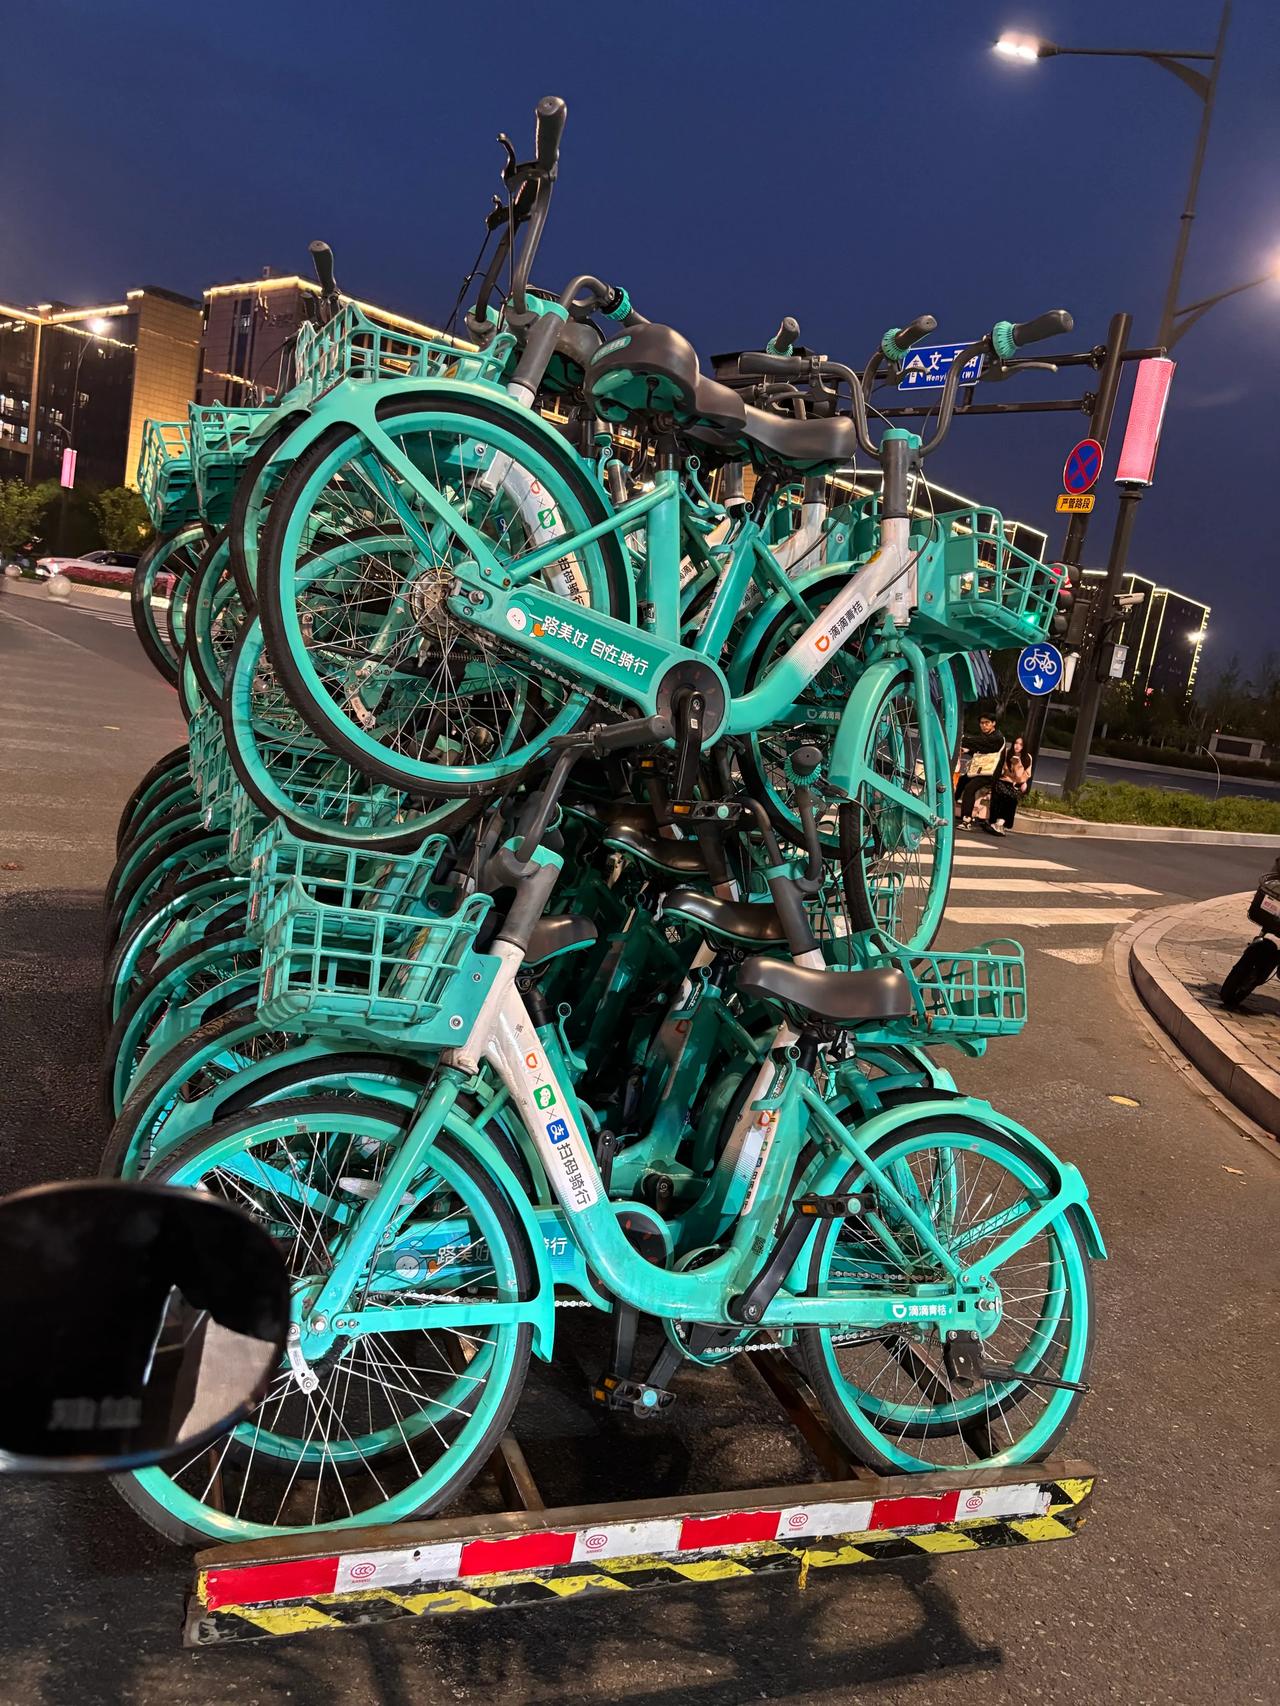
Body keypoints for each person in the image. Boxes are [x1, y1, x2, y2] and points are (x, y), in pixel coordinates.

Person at [955, 708, 1005, 829]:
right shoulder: (986, 736)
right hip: (981, 770)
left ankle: (966, 820)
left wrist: (961, 739)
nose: (984, 725)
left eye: (987, 723)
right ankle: (951, 804)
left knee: (970, 788)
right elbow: (982, 750)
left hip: (990, 774)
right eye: (982, 723)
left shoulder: (997, 737)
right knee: (962, 780)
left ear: (993, 723)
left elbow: (981, 743)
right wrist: (967, 750)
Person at [985, 736, 1034, 835]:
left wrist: (1017, 765)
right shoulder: (1007, 752)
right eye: (1016, 743)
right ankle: (997, 823)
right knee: (1003, 794)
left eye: (1021, 745)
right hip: (1003, 780)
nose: (1017, 746)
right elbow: (1002, 770)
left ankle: (1000, 823)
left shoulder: (1027, 758)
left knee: (1012, 798)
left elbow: (1024, 776)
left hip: (1016, 784)